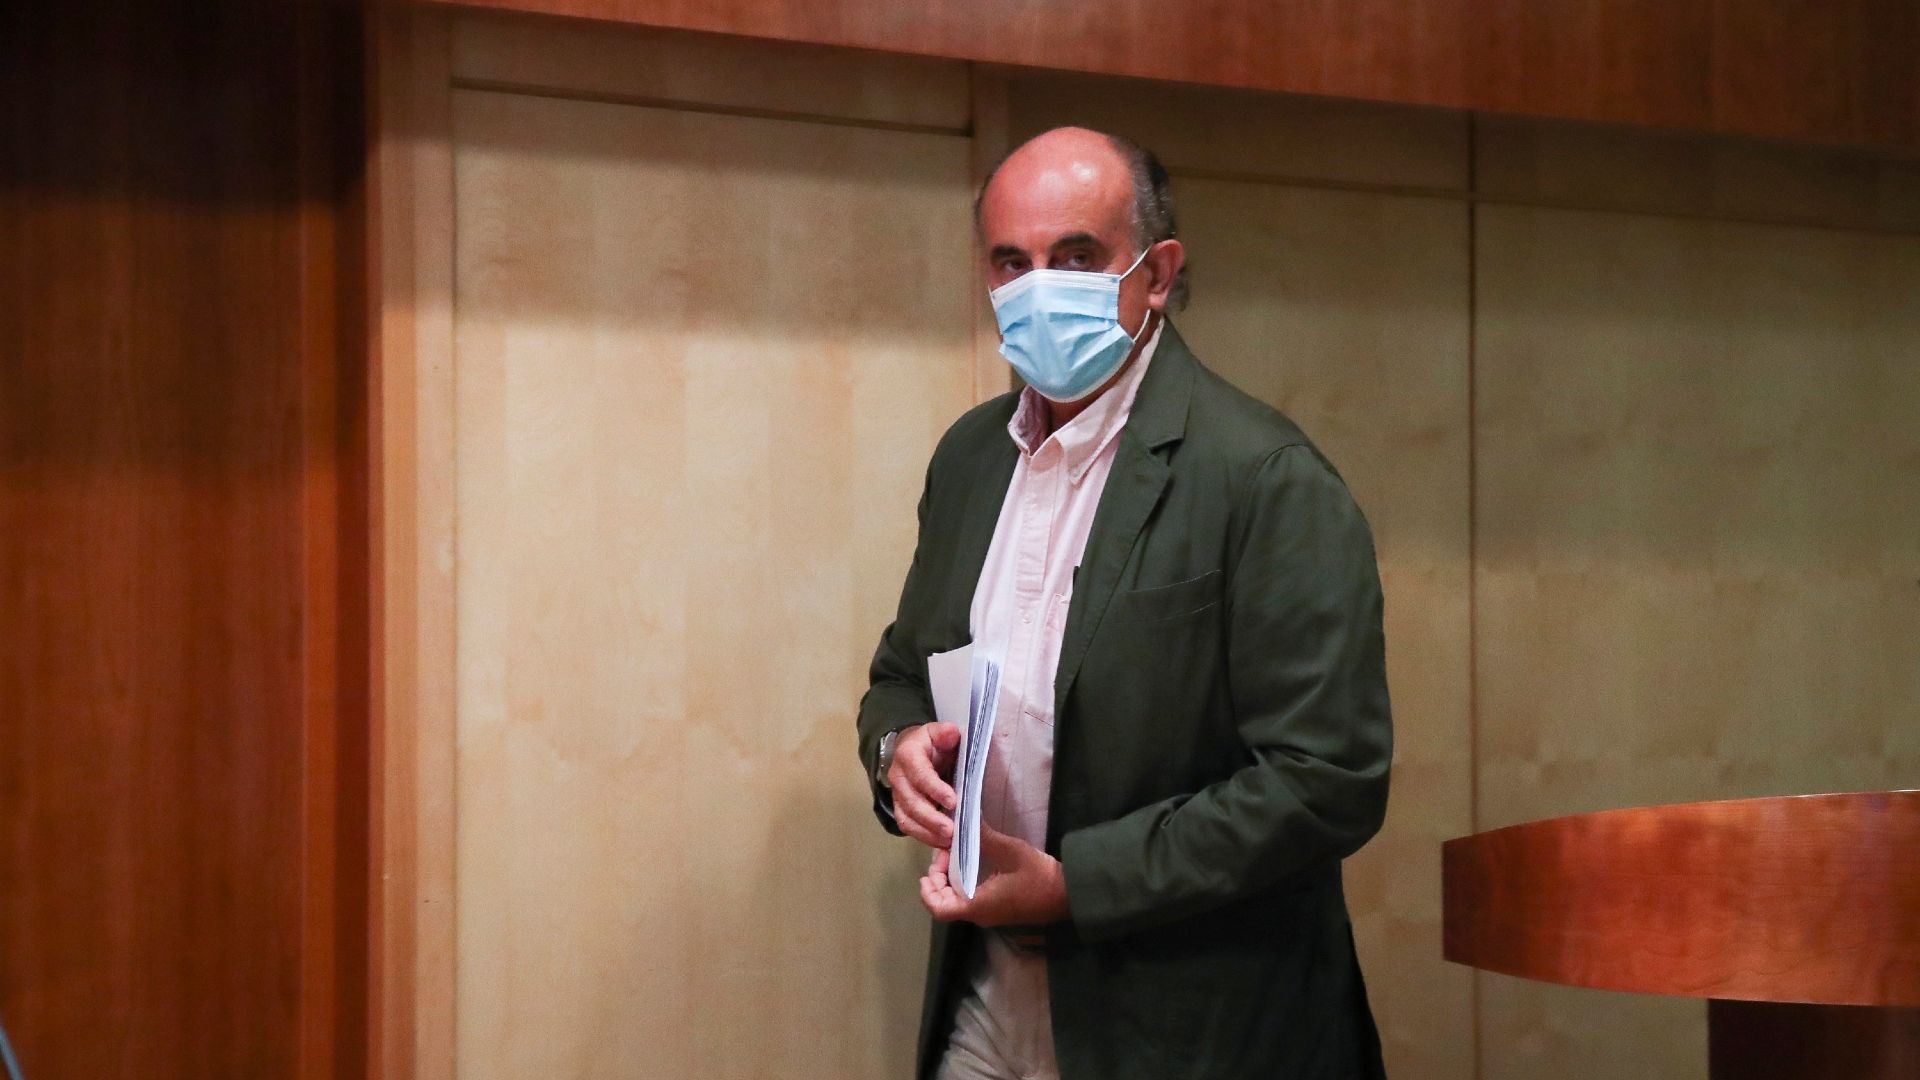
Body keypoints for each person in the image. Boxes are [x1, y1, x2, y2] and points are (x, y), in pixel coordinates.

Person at [855, 125, 1392, 1080]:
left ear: (1157, 275)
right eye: (1011, 262)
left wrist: (1076, 885)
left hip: (1186, 1024)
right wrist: (898, 750)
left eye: (1076, 257)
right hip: (982, 996)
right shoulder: (971, 458)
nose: (1038, 289)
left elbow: (1329, 778)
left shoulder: (1264, 475)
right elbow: (903, 671)